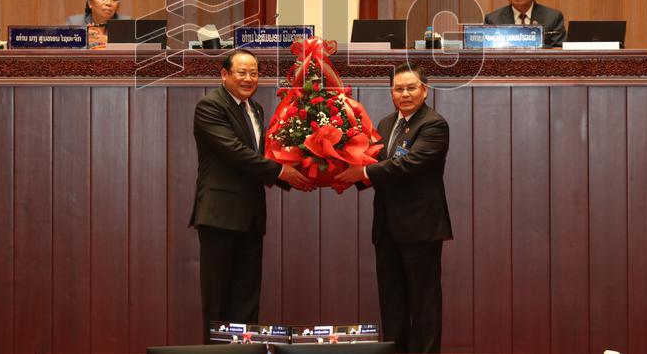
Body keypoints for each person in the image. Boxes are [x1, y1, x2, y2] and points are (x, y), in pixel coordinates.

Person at [190, 49, 311, 341]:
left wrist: (307, 171)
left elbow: (262, 156)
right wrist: (282, 173)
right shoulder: (210, 106)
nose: (248, 78)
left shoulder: (255, 109)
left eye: (254, 73)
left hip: (251, 216)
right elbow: (236, 153)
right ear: (224, 75)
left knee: (247, 298)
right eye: (241, 72)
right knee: (218, 301)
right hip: (219, 215)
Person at [334, 64, 452, 354]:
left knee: (424, 304)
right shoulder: (386, 124)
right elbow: (376, 166)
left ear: (424, 90)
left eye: (411, 88)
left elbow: (406, 165)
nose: (405, 94)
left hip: (420, 229)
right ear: (391, 92)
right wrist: (334, 174)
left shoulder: (434, 125)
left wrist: (360, 174)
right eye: (399, 88)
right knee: (393, 303)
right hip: (387, 228)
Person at [65, 0, 129, 47]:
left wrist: (108, 42)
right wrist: (83, 39)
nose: (108, 3)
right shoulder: (74, 23)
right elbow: (63, 49)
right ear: (90, 3)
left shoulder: (126, 23)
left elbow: (134, 50)